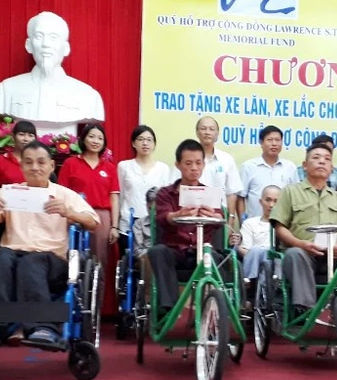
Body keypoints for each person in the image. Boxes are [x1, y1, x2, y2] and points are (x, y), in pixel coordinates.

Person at [0, 141, 99, 351]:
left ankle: (43, 327)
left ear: (51, 166)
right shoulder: (9, 192)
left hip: (51, 259)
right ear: (21, 166)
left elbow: (93, 222)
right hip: (12, 253)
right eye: (28, 162)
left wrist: (69, 212)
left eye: (41, 162)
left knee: (31, 261)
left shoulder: (65, 195)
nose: (35, 167)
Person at [270, 143, 337, 311]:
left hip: (333, 255)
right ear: (305, 166)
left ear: (331, 168)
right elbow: (279, 227)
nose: (322, 162)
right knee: (294, 254)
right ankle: (308, 309)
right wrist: (300, 244)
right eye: (316, 158)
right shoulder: (290, 192)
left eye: (327, 159)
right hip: (303, 253)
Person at [0, 11, 105, 137]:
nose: (46, 44)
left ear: (66, 48)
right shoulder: (5, 90)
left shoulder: (88, 96)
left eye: (53, 37)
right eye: (39, 36)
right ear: (28, 45)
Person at [149, 139, 230, 312]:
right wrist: (177, 215)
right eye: (188, 163)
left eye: (198, 163)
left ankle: (217, 309)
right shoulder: (165, 193)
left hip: (202, 251)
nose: (194, 168)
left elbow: (220, 218)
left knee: (220, 258)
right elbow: (163, 217)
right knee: (157, 252)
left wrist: (215, 216)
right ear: (178, 165)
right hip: (175, 251)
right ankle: (169, 309)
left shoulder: (210, 193)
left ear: (203, 165)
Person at [58, 124, 119, 269]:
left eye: (100, 138)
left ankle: (98, 284)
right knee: (72, 257)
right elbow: (62, 193)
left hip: (101, 216)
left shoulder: (109, 167)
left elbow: (114, 198)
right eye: (91, 136)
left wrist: (114, 226)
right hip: (75, 215)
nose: (95, 141)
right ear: (83, 139)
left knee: (99, 260)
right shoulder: (70, 163)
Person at [170, 116, 243, 229]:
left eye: (211, 129)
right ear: (197, 132)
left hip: (217, 217)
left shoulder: (227, 159)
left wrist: (231, 220)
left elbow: (232, 193)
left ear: (217, 133)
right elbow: (174, 188)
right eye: (203, 128)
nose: (207, 132)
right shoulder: (186, 158)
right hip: (188, 217)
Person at [116, 125, 171, 253]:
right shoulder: (124, 166)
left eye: (149, 140)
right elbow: (120, 196)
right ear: (133, 143)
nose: (145, 143)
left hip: (152, 224)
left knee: (152, 259)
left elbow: (165, 199)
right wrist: (115, 225)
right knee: (128, 259)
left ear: (154, 144)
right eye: (140, 139)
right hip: (128, 222)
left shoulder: (163, 168)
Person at [238, 125, 298, 220]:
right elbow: (240, 197)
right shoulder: (249, 167)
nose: (274, 144)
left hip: (283, 224)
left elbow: (295, 198)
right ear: (261, 143)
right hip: (255, 224)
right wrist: (243, 222)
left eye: (277, 140)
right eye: (269, 140)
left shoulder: (290, 167)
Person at [231, 185, 280, 280]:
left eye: (276, 201)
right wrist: (260, 253)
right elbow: (245, 250)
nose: (271, 205)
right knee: (256, 250)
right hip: (254, 260)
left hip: (277, 262)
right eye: (268, 200)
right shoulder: (250, 223)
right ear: (261, 202)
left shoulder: (284, 226)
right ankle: (250, 280)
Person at [0, 120, 37, 194]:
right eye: (21, 134)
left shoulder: (38, 162)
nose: (26, 139)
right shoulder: (0, 160)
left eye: (30, 135)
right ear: (13, 137)